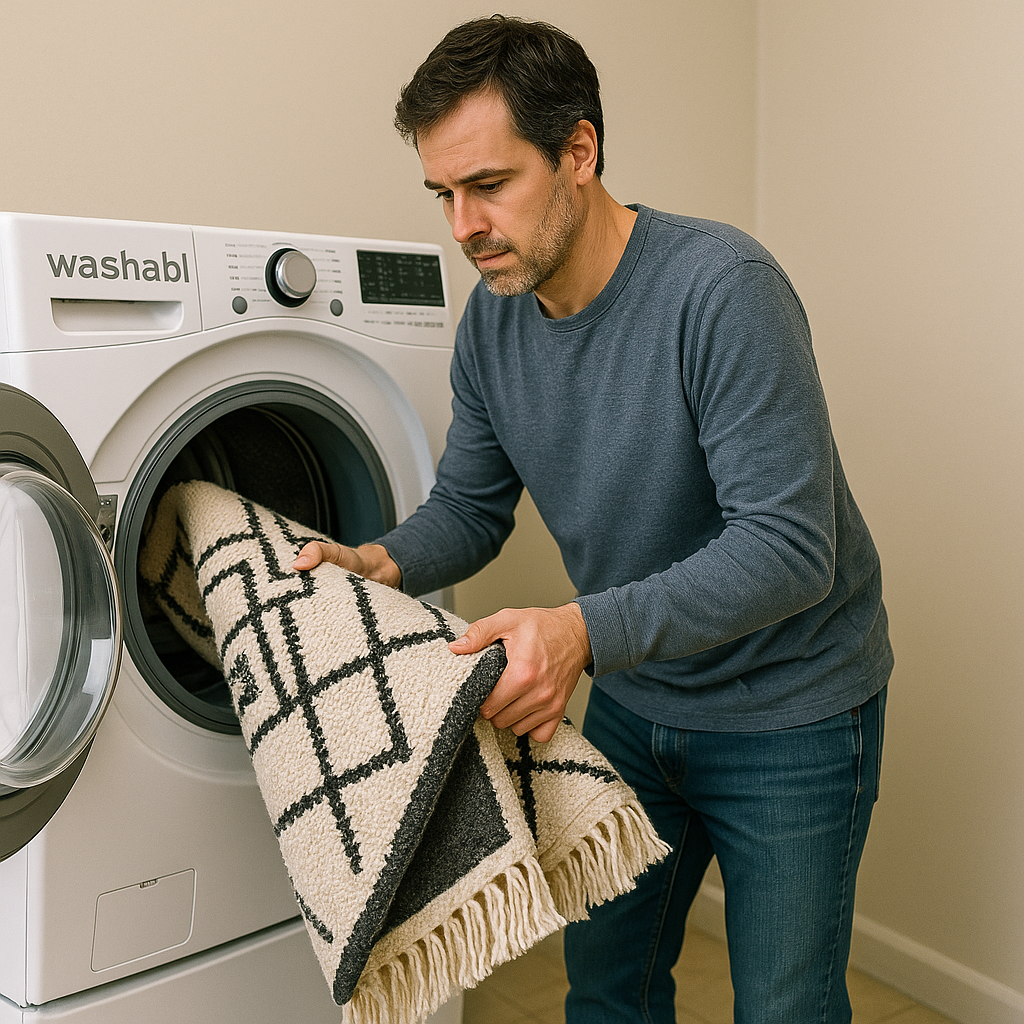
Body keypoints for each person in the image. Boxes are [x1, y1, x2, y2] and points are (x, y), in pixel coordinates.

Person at [294, 15, 892, 1024]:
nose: (463, 226)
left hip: (790, 708)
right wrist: (380, 562)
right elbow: (471, 509)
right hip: (633, 698)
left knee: (786, 1007)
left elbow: (791, 549)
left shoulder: (721, 290)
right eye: (444, 193)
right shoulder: (492, 318)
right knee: (607, 991)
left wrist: (575, 633)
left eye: (488, 185)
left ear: (579, 150)